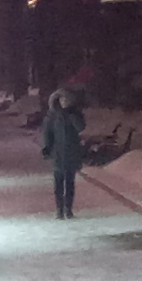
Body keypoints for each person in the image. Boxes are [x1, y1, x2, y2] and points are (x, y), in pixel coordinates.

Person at [39, 81, 89, 218]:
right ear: (58, 100)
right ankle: (59, 209)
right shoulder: (52, 115)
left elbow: (80, 127)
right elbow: (47, 133)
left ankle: (69, 209)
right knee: (58, 184)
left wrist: (71, 115)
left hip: (72, 153)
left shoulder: (75, 113)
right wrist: (47, 148)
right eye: (62, 99)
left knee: (70, 183)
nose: (64, 102)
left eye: (66, 100)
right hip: (58, 153)